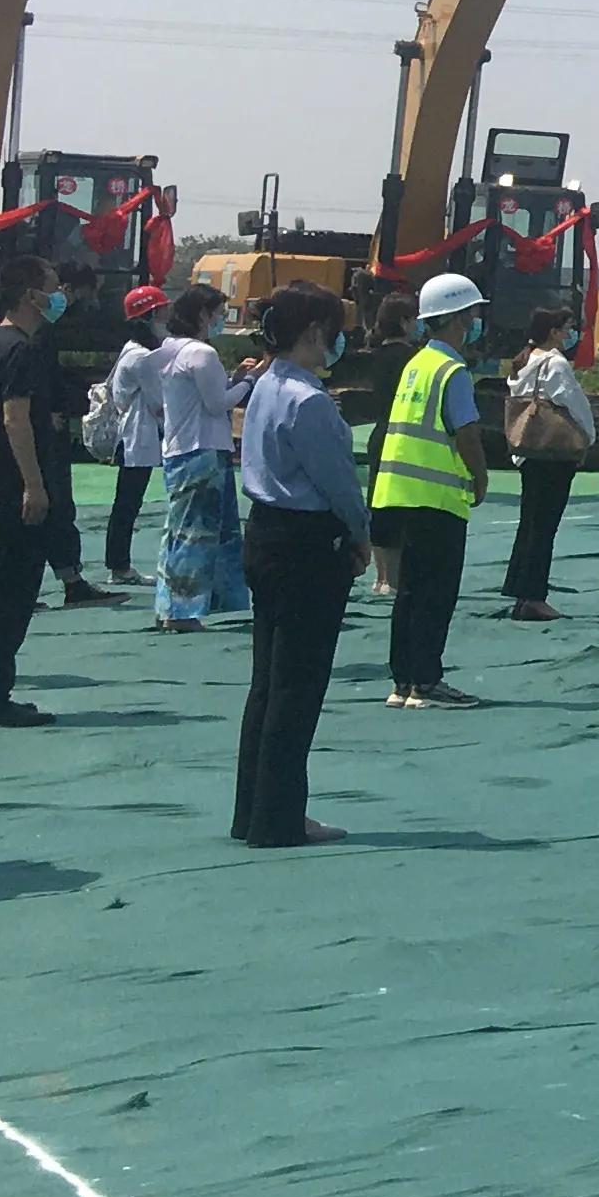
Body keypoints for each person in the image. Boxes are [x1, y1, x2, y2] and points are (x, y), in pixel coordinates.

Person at [231, 285, 372, 845]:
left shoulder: (267, 383)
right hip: (306, 545)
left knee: (268, 684)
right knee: (297, 688)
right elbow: (338, 482)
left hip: (265, 534)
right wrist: (360, 533)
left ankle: (253, 809)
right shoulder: (308, 400)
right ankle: (280, 817)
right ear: (314, 332)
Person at [368, 273, 491, 708]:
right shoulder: (452, 370)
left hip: (399, 492)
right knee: (436, 594)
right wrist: (480, 477)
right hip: (437, 497)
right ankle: (426, 681)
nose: (476, 322)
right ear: (458, 318)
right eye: (472, 314)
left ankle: (403, 681)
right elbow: (466, 433)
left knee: (409, 592)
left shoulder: (417, 364)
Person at [0, 269, 71, 723]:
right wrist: (34, 483)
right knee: (9, 596)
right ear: (31, 295)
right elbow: (16, 419)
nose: (58, 296)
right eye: (51, 288)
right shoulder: (22, 350)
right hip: (12, 488)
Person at [149, 285, 247, 633]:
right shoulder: (202, 353)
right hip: (203, 449)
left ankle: (170, 604)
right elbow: (218, 404)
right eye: (218, 313)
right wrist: (249, 382)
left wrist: (235, 380)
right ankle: (183, 611)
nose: (220, 320)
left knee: (178, 531)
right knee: (196, 534)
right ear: (204, 315)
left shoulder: (170, 351)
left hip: (179, 450)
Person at [495, 305, 599, 615]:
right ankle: (534, 596)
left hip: (529, 452)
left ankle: (519, 589)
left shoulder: (524, 361)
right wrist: (588, 436)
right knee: (545, 526)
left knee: (529, 521)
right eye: (566, 329)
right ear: (553, 332)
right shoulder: (555, 363)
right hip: (554, 454)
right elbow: (573, 402)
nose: (570, 335)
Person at [97, 286, 168, 585]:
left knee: (126, 503)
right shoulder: (142, 358)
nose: (166, 318)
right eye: (161, 312)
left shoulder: (132, 351)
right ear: (147, 316)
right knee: (128, 504)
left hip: (134, 437)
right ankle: (119, 566)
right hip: (137, 438)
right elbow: (158, 401)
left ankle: (119, 565)